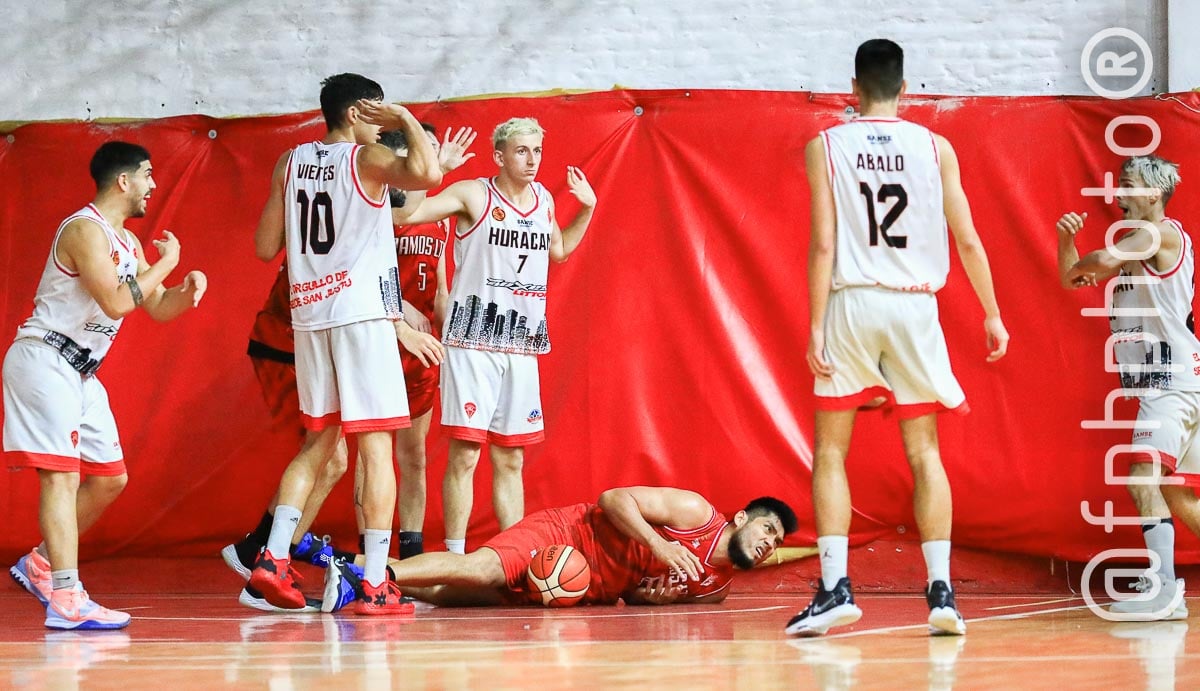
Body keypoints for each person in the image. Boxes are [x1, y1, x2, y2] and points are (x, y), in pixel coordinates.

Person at [788, 39, 1009, 637]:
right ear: (904, 88)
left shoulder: (825, 145)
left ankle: (835, 588)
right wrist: (992, 311)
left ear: (853, 88)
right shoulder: (936, 146)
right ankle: (941, 593)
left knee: (832, 450)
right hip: (916, 307)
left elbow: (825, 244)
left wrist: (814, 325)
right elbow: (966, 237)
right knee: (925, 452)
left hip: (853, 302)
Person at [249, 73, 444, 614]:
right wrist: (405, 118)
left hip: (310, 317)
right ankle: (376, 581)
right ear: (359, 111)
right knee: (377, 445)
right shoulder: (367, 160)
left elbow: (266, 245)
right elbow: (427, 172)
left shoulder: (289, 163)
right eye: (377, 109)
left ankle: (272, 558)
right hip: (361, 316)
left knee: (317, 443)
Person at [5, 141, 207, 630]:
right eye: (148, 175)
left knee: (112, 477)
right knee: (62, 476)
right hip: (45, 358)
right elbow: (118, 303)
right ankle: (67, 597)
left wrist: (187, 291)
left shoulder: (130, 244)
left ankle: (41, 563)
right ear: (124, 181)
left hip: (80, 372)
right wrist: (170, 262)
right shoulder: (83, 230)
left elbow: (155, 307)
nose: (153, 186)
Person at [375, 113, 597, 554]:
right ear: (499, 156)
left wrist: (587, 207)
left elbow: (561, 251)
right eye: (521, 150)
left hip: (521, 343)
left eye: (537, 150)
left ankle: (513, 555)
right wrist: (441, 172)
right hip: (473, 341)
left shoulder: (544, 202)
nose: (532, 159)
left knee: (511, 457)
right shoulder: (473, 193)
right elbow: (405, 214)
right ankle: (457, 559)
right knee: (466, 455)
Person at [1057, 154, 1193, 620]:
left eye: (1128, 184)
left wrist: (1087, 253)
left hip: (1168, 382)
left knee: (1141, 477)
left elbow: (1099, 262)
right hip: (1181, 378)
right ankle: (1163, 587)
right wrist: (1065, 240)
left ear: (1154, 193)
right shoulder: (1143, 243)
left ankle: (1161, 590)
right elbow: (1072, 277)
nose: (1118, 192)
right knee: (1182, 499)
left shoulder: (1159, 233)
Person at [320, 486, 798, 610]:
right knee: (482, 570)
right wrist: (658, 542)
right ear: (741, 519)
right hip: (569, 535)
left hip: (578, 587)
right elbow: (613, 499)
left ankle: (334, 560)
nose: (768, 543)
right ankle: (373, 581)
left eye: (775, 542)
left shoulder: (715, 590)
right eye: (767, 529)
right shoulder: (695, 512)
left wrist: (648, 599)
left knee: (447, 593)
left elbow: (630, 595)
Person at [355, 124, 478, 559]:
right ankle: (373, 556)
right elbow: (360, 276)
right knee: (374, 455)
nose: (425, 161)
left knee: (415, 457)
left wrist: (456, 325)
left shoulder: (437, 216)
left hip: (422, 347)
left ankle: (410, 558)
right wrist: (398, 310)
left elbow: (441, 284)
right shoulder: (369, 208)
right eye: (417, 153)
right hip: (379, 340)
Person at [220, 261, 357, 612]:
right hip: (291, 340)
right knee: (324, 452)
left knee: (330, 457)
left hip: (304, 339)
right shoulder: (349, 213)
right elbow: (265, 248)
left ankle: (262, 554)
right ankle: (266, 566)